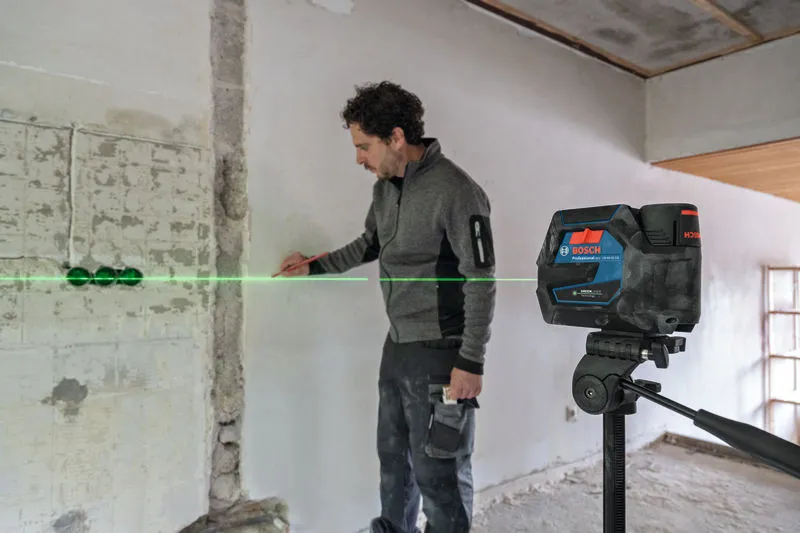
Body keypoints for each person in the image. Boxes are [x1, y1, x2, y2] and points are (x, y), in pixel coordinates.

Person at [277, 81, 496, 533]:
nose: (359, 158)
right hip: (397, 349)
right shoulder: (384, 190)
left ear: (396, 137)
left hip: (442, 355)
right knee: (395, 463)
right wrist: (313, 267)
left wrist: (471, 361)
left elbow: (481, 278)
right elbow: (369, 244)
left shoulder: (457, 191)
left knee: (439, 473)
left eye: (364, 147)